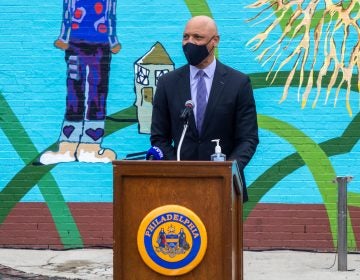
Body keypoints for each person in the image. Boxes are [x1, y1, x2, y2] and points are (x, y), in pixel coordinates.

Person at [150, 15, 259, 201]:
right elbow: (159, 137)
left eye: (197, 38)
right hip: (178, 187)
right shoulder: (168, 83)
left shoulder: (238, 83)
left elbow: (248, 139)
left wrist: (227, 170)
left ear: (215, 41)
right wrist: (178, 169)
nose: (189, 43)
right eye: (185, 37)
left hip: (225, 188)